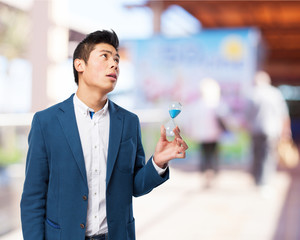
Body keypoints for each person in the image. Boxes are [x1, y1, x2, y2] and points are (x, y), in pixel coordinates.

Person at [20, 30, 188, 240]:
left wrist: (158, 163)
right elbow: (33, 198)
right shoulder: (46, 122)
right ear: (79, 65)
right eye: (105, 56)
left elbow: (134, 186)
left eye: (117, 59)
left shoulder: (128, 122)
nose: (114, 64)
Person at [245, 71, 291, 190]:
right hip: (272, 130)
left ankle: (257, 180)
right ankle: (264, 182)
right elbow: (283, 114)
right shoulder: (275, 94)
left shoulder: (252, 94)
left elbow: (247, 115)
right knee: (268, 156)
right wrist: (286, 131)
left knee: (256, 154)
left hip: (255, 130)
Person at [183, 78, 226, 188]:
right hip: (214, 134)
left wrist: (190, 132)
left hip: (202, 135)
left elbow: (190, 121)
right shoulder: (216, 104)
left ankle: (205, 175)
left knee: (204, 156)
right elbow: (224, 119)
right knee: (213, 156)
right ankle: (212, 175)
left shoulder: (197, 105)